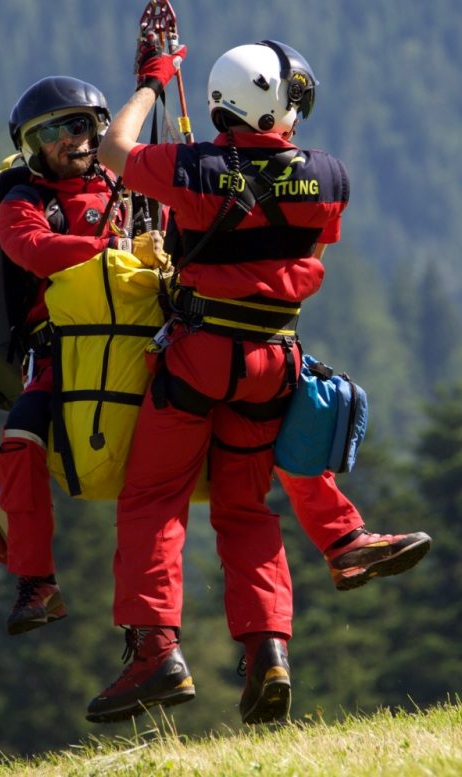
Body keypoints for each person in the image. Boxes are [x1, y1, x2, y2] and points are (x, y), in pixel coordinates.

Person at [87, 38, 431, 724]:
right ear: (274, 102)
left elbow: (114, 150)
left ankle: (156, 649)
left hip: (199, 354)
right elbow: (309, 250)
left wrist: (154, 83)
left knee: (156, 498)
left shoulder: (191, 167)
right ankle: (268, 650)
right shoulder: (330, 177)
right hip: (274, 361)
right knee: (246, 510)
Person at [0, 75, 168, 636]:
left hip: (139, 350)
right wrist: (108, 249)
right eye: (52, 133)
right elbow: (32, 249)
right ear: (32, 148)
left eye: (80, 125)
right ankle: (35, 582)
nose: (70, 140)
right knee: (19, 441)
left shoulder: (131, 187)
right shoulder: (24, 201)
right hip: (61, 357)